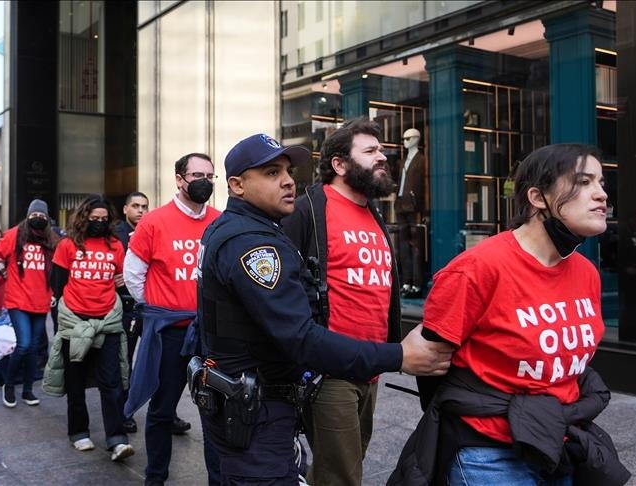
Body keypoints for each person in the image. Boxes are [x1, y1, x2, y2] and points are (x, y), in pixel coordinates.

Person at [193, 133, 454, 484]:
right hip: (258, 406)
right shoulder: (254, 244)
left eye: (287, 170)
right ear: (237, 186)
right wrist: (399, 356)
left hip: (255, 399)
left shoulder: (242, 229)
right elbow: (300, 337)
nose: (288, 180)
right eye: (271, 173)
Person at [388, 143, 630, 486]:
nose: (601, 195)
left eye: (602, 183)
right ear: (537, 197)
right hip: (489, 451)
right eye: (584, 181)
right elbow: (433, 367)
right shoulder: (476, 270)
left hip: (561, 440)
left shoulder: (586, 273)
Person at [281, 118, 402, 485]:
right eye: (370, 151)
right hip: (329, 370)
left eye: (381, 150)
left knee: (347, 462)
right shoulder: (309, 210)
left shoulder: (374, 214)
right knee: (343, 475)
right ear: (339, 164)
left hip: (372, 365)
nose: (382, 157)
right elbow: (285, 286)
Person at [123, 153, 221, 486]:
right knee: (162, 409)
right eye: (197, 174)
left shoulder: (221, 221)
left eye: (210, 175)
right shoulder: (153, 222)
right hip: (170, 334)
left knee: (217, 413)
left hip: (212, 334)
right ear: (179, 179)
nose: (204, 181)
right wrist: (161, 308)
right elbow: (134, 276)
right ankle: (156, 477)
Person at [42, 194, 134, 462]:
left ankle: (117, 439)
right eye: (94, 219)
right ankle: (78, 432)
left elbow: (121, 279)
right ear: (84, 218)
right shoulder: (68, 245)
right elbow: (58, 284)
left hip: (108, 322)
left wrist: (122, 281)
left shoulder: (116, 246)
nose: (99, 223)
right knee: (75, 381)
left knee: (112, 383)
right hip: (75, 322)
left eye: (104, 220)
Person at [0, 199, 59, 408]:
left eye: (42, 216)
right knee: (24, 345)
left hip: (41, 301)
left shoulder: (52, 239)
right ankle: (9, 385)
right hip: (18, 300)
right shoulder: (14, 234)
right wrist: (4, 273)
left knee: (33, 349)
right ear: (28, 216)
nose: (37, 219)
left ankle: (28, 390)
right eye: (34, 215)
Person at [114, 191, 149, 433]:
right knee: (124, 360)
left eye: (144, 206)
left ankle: (166, 411)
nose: (140, 211)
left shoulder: (151, 229)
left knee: (154, 361)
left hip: (149, 305)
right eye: (135, 206)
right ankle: (124, 410)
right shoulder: (115, 234)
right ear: (126, 208)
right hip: (124, 306)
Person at [394, 127, 427, 297]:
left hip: (414, 207)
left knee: (416, 246)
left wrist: (423, 205)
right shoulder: (402, 161)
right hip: (401, 205)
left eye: (408, 139)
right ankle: (406, 282)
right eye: (404, 139)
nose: (405, 142)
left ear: (417, 139)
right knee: (403, 246)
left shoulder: (422, 160)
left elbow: (425, 184)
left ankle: (417, 283)